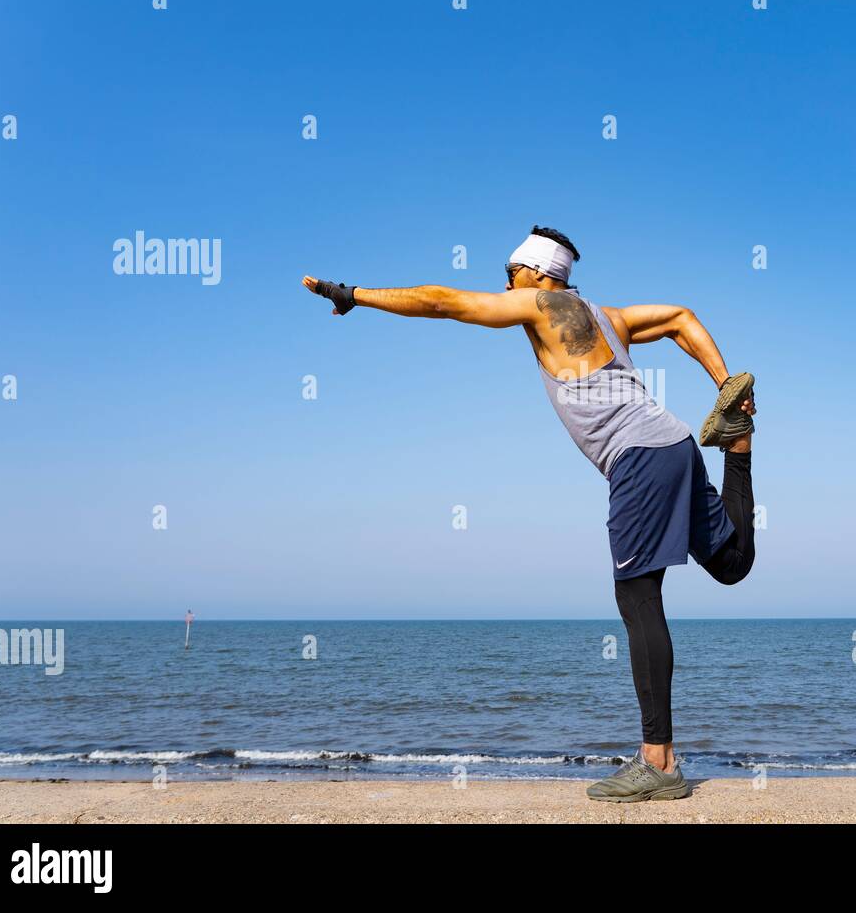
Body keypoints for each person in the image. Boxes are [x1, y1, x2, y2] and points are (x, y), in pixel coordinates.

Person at [303, 226, 757, 802]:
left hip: (637, 459)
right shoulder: (609, 317)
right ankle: (738, 443)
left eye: (510, 274)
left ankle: (659, 764)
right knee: (732, 564)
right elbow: (682, 318)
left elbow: (446, 302)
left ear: (537, 274)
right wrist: (724, 387)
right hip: (676, 444)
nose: (506, 286)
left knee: (638, 596)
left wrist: (355, 295)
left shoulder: (543, 303)